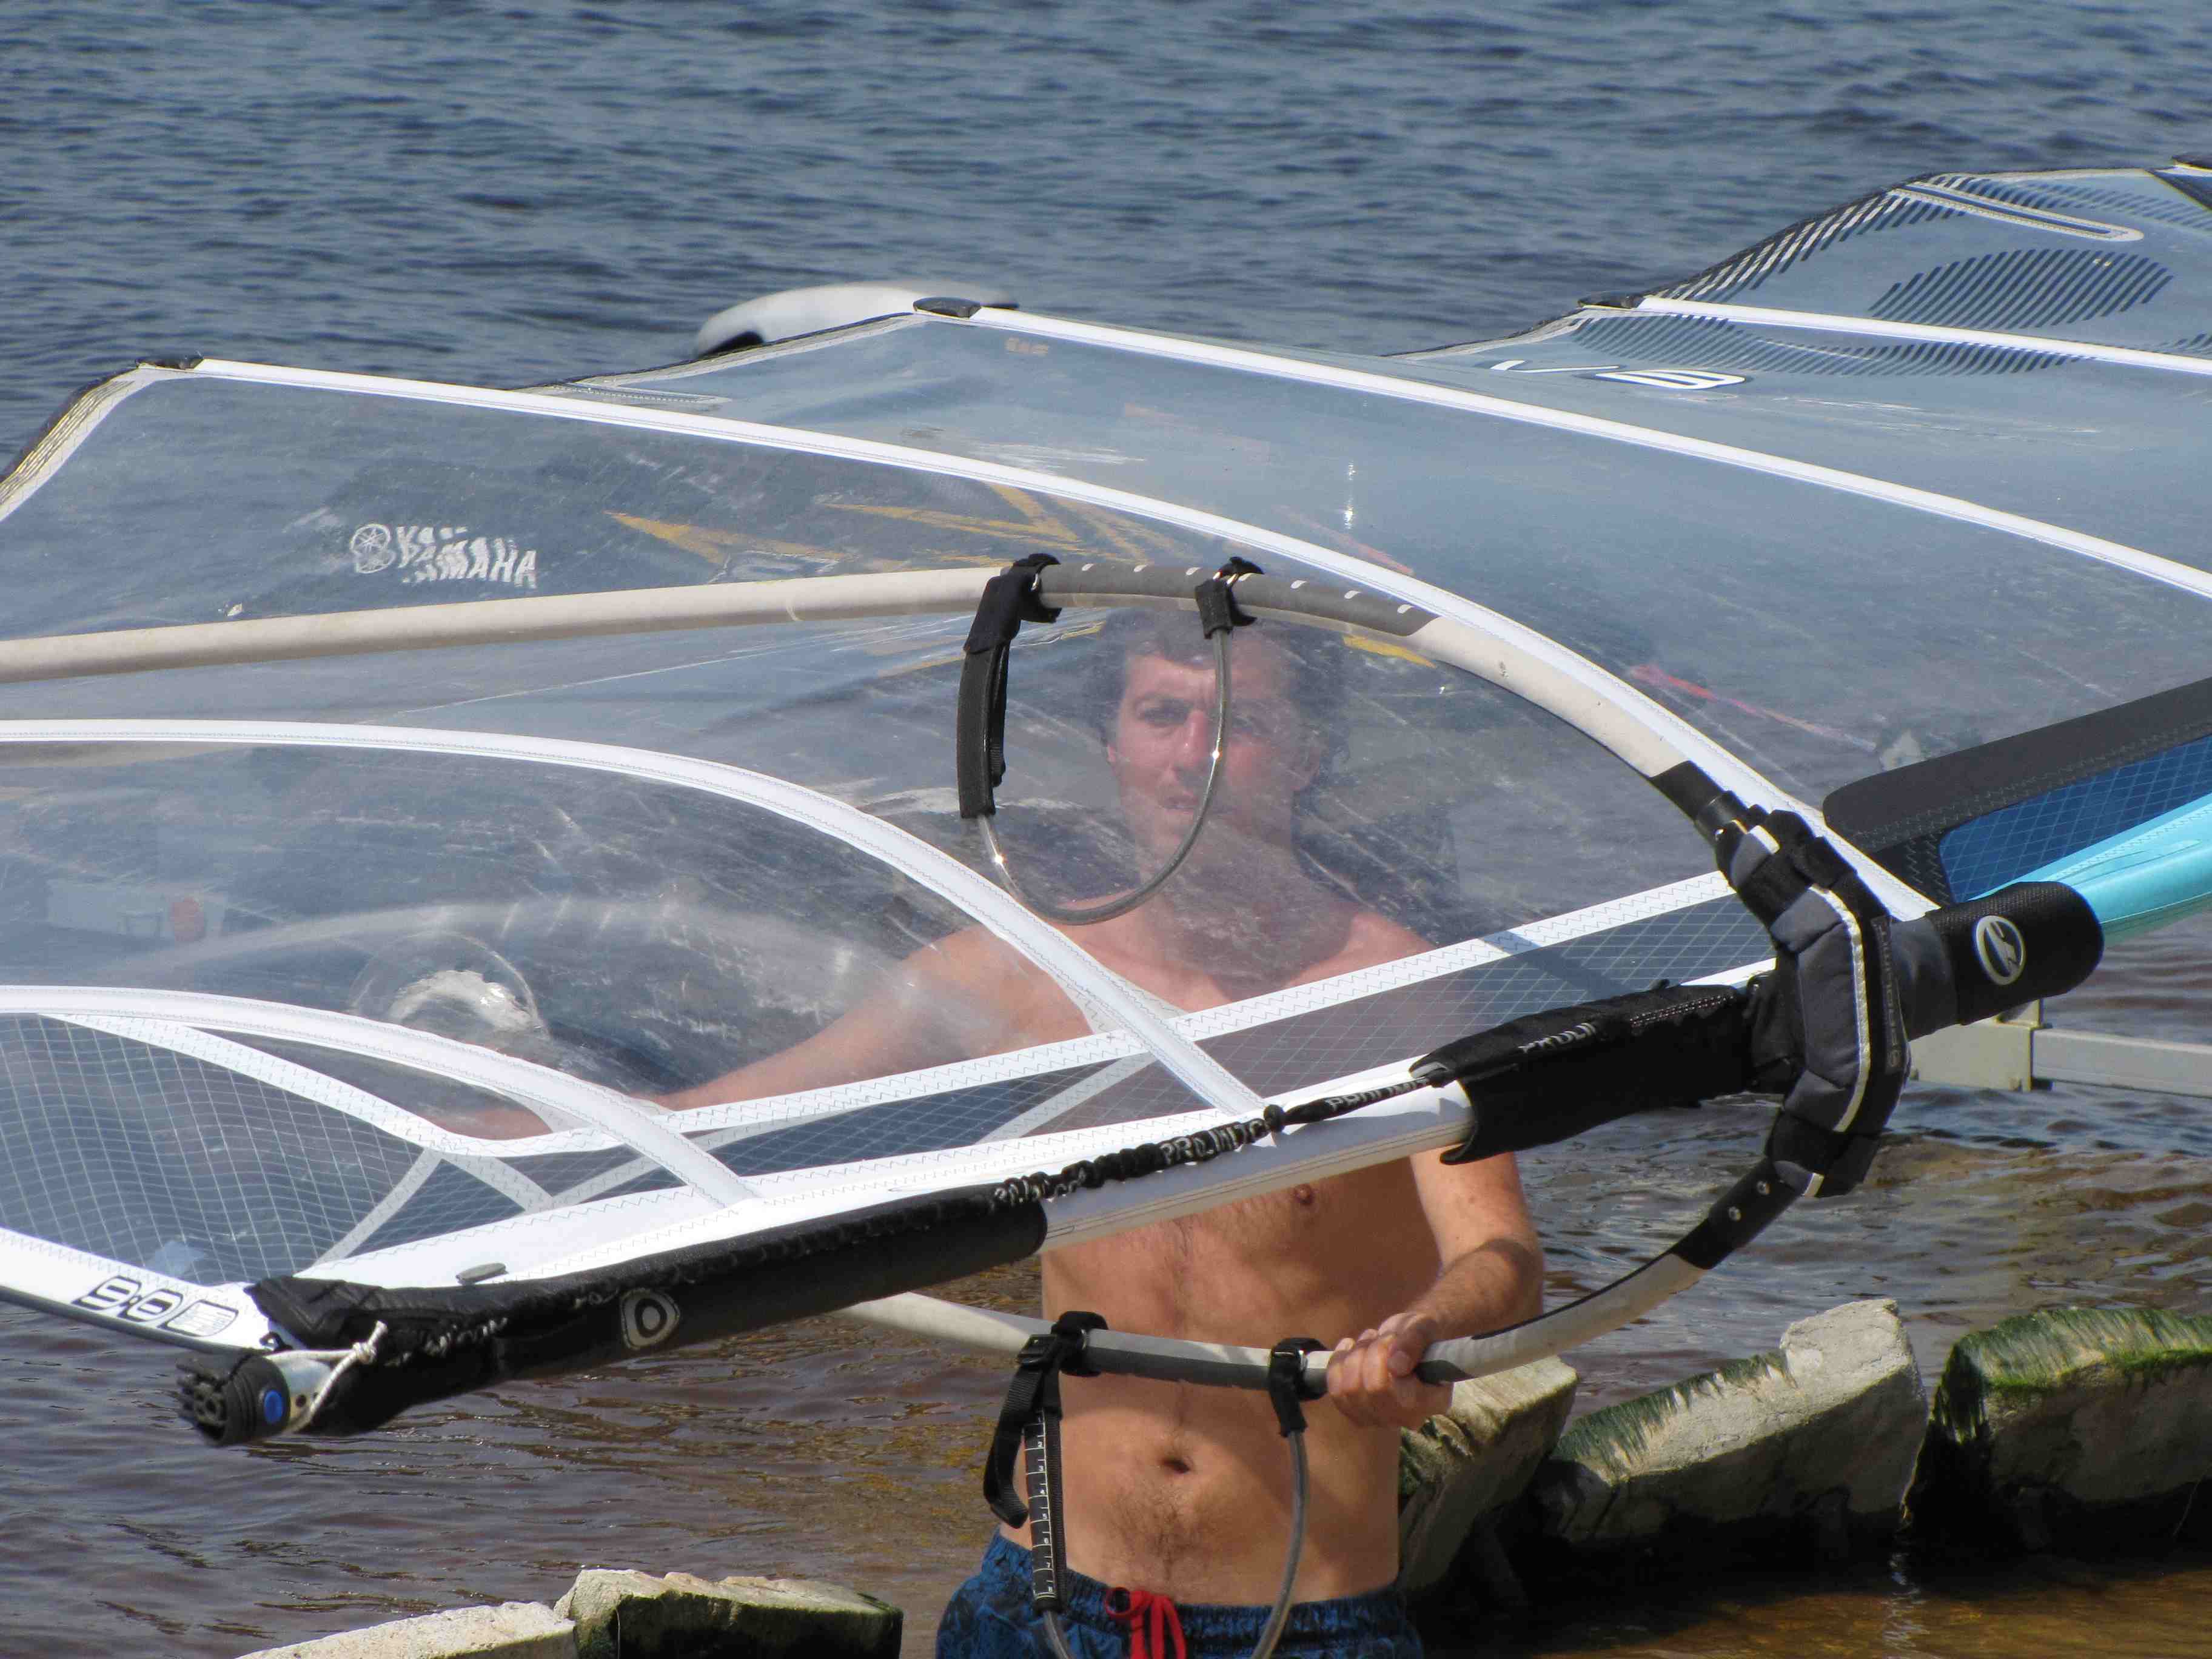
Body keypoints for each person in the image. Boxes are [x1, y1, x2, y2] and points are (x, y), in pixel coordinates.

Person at [664, 614, 1544, 1659]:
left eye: (1241, 724)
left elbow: (1504, 1258)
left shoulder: (1394, 992)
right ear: (1113, 746)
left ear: (1306, 756)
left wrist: (1419, 1331)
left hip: (1301, 1617)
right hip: (1039, 1604)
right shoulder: (1024, 973)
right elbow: (710, 1122)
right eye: (1162, 715)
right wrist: (507, 1133)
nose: (1194, 757)